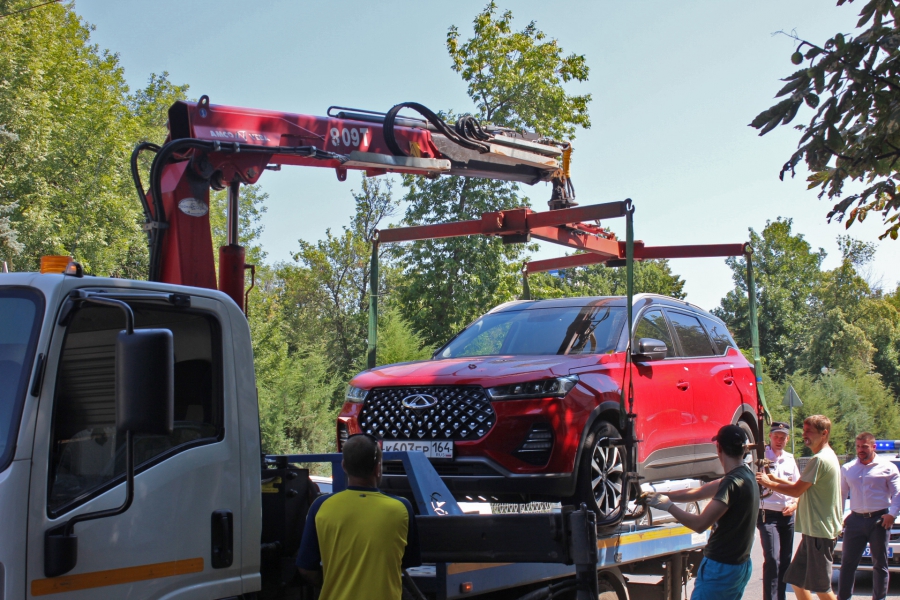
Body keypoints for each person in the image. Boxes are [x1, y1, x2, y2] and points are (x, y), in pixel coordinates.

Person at [296, 433, 421, 600]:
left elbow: (306, 569)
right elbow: (405, 561)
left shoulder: (320, 507)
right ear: (377, 468)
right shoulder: (401, 508)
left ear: (344, 466)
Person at [647, 424, 759, 600]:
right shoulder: (745, 475)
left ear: (719, 448)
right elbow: (697, 493)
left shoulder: (732, 483)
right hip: (739, 565)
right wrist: (659, 495)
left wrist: (668, 506)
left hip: (721, 568)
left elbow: (700, 524)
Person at [757, 415, 843, 600]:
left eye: (809, 431)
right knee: (796, 580)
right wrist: (773, 479)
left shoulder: (819, 460)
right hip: (813, 532)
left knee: (822, 588)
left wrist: (767, 482)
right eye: (804, 431)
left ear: (824, 433)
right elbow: (801, 484)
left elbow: (796, 490)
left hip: (820, 532)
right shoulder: (825, 456)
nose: (805, 435)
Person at [836, 431, 900, 600]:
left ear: (873, 446)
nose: (860, 450)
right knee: (847, 564)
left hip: (879, 520)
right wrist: (839, 518)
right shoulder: (848, 468)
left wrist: (892, 515)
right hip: (855, 520)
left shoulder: (888, 467)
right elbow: (841, 495)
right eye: (858, 446)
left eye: (864, 446)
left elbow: (898, 494)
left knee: (880, 564)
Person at [758, 421, 801, 600]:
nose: (779, 440)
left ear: (787, 439)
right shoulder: (761, 457)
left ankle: (780, 597)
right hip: (768, 515)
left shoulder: (790, 459)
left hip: (787, 515)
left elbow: (798, 489)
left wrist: (794, 504)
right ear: (770, 436)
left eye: (783, 438)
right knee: (773, 559)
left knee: (785, 561)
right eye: (776, 436)